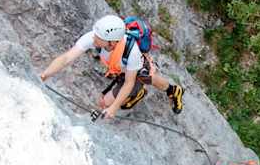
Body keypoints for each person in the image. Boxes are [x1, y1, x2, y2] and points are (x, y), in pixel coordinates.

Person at [39, 15, 184, 118]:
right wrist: (45, 74)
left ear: (112, 43)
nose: (93, 39)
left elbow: (128, 83)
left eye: (98, 38)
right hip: (121, 69)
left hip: (134, 70)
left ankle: (173, 90)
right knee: (111, 100)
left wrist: (113, 108)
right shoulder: (95, 37)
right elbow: (66, 57)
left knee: (142, 79)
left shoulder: (131, 51)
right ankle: (137, 94)